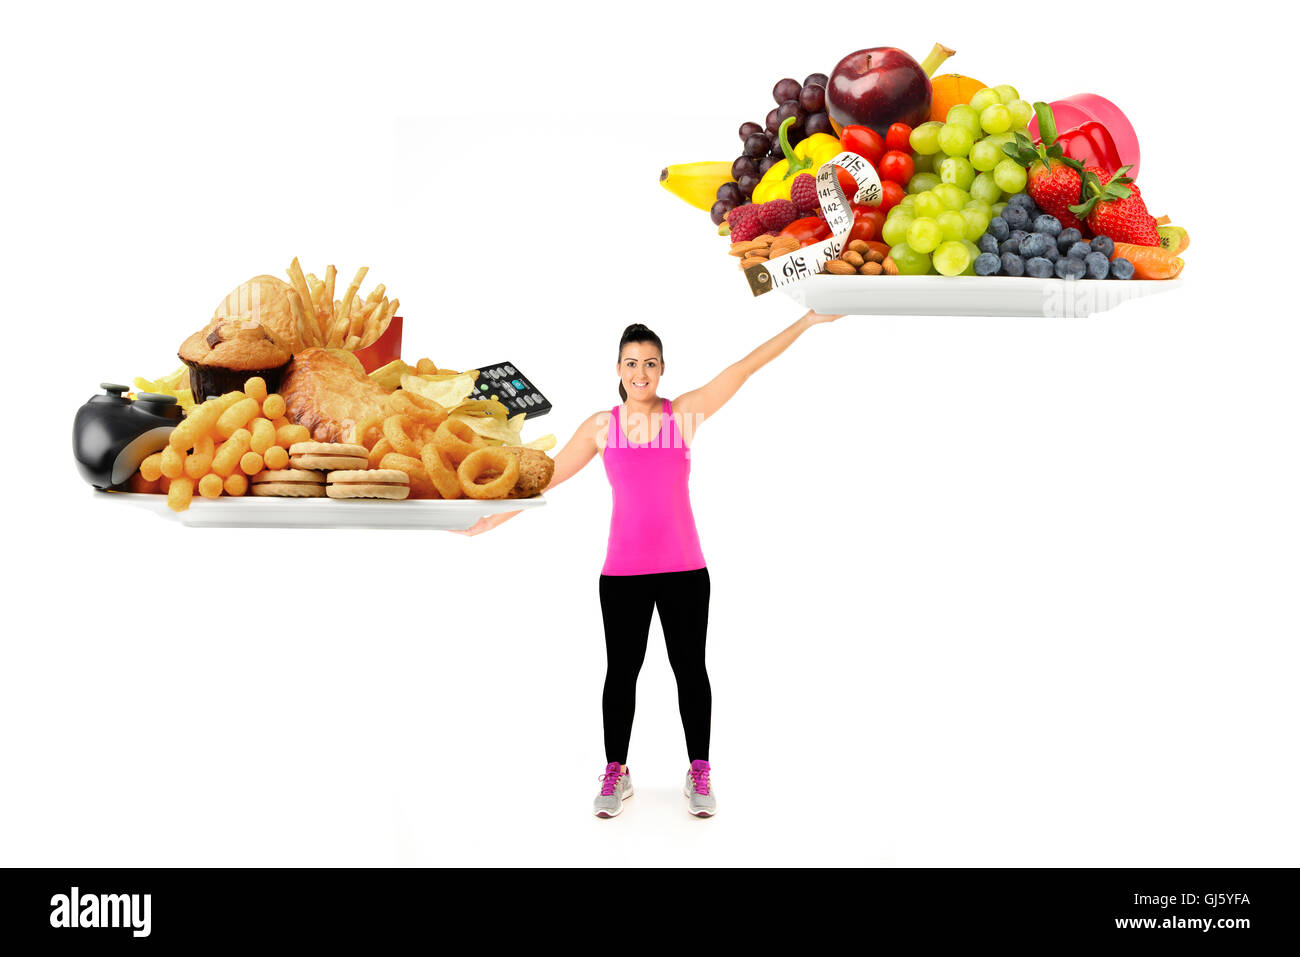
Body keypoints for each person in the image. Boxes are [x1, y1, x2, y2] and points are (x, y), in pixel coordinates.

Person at [458, 309, 843, 817]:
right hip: (622, 575)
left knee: (691, 672)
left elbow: (744, 368)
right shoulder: (601, 426)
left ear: (662, 370)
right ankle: (616, 770)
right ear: (618, 368)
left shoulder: (682, 414)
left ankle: (699, 770)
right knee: (621, 673)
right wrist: (493, 518)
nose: (641, 373)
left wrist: (808, 321)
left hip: (685, 570)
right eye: (632, 363)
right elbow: (546, 479)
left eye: (651, 364)